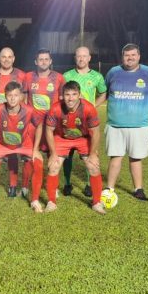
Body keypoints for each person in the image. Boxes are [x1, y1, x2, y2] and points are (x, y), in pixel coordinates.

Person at [104, 43, 148, 201]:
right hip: (115, 125)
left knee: (136, 158)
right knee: (115, 157)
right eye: (126, 55)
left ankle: (138, 189)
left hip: (140, 125)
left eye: (133, 55)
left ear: (139, 56)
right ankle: (109, 188)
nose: (129, 58)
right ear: (122, 57)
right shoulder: (113, 72)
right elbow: (106, 91)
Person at [44, 81, 106, 214]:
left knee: (93, 166)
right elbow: (49, 130)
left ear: (79, 95)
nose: (70, 98)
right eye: (67, 94)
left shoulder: (88, 108)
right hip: (62, 138)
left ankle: (96, 203)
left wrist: (93, 153)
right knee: (53, 166)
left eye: (74, 94)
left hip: (83, 138)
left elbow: (95, 132)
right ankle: (51, 202)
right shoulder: (55, 108)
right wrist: (53, 153)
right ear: (62, 96)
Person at [0, 82, 45, 212]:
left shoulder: (29, 110)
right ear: (5, 96)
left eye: (16, 95)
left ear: (21, 97)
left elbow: (39, 126)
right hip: (2, 144)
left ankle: (35, 200)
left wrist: (35, 150)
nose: (12, 98)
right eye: (9, 95)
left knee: (39, 164)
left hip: (24, 144)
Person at [62, 46, 107, 198]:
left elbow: (103, 93)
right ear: (75, 58)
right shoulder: (66, 75)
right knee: (67, 154)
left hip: (88, 122)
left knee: (91, 152)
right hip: (69, 120)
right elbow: (61, 96)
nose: (81, 59)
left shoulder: (97, 77)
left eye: (84, 56)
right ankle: (67, 183)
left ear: (89, 58)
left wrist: (93, 106)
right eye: (78, 56)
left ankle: (89, 184)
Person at [0, 47, 28, 197]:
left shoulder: (21, 75)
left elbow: (25, 98)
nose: (6, 59)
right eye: (4, 56)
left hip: (14, 121)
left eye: (10, 56)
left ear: (14, 58)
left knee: (12, 154)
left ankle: (13, 185)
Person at [22, 49, 65, 197]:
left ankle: (52, 185)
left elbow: (61, 101)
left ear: (51, 61)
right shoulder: (28, 77)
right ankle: (25, 185)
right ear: (36, 62)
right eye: (41, 59)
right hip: (32, 124)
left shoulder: (59, 78)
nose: (44, 62)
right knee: (29, 154)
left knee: (52, 154)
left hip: (51, 124)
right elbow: (23, 99)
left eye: (46, 59)